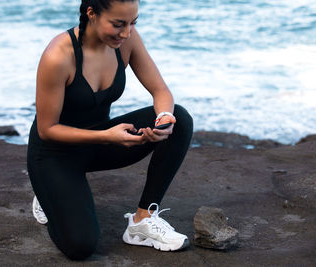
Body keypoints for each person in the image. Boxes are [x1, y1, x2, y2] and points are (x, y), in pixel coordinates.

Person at [27, 0, 193, 261]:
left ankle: (143, 219)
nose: (126, 33)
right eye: (118, 24)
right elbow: (47, 129)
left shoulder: (126, 41)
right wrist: (107, 136)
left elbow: (161, 91)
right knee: (81, 246)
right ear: (91, 14)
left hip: (100, 143)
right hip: (55, 154)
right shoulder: (58, 55)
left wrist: (163, 120)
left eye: (132, 23)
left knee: (178, 119)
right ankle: (47, 192)